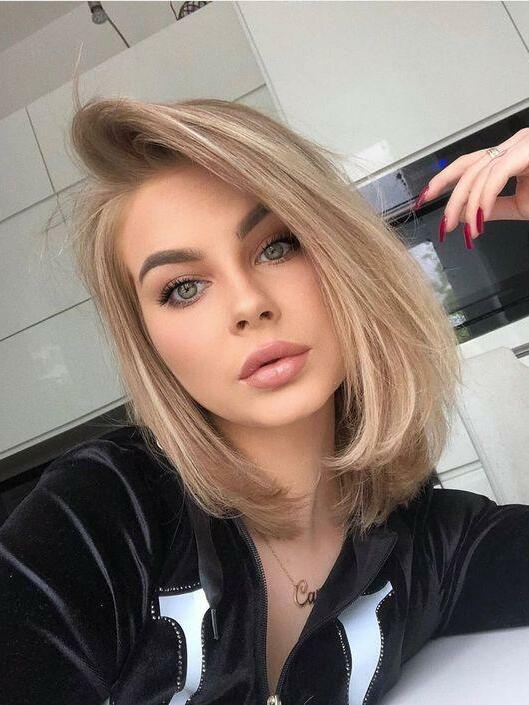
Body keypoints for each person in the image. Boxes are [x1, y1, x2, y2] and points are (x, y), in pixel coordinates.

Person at [1, 88, 528, 705]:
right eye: (183, 288)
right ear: (148, 341)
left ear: (343, 258)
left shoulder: (428, 547)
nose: (249, 304)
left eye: (277, 246)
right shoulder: (108, 511)